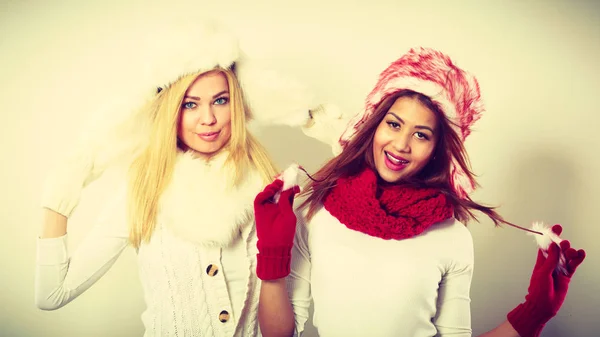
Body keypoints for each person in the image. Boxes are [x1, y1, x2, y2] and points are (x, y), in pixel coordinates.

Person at [253, 47, 587, 337]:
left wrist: (534, 313)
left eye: (422, 134)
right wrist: (272, 251)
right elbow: (282, 332)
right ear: (374, 124)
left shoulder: (451, 235)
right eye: (394, 124)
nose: (401, 145)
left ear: (437, 148)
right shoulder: (316, 214)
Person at [34, 19, 330, 337]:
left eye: (220, 100)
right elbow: (52, 295)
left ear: (239, 104)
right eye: (190, 104)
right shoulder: (142, 191)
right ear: (170, 112)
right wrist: (59, 198)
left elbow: (285, 334)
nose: (208, 119)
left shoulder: (275, 194)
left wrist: (322, 124)